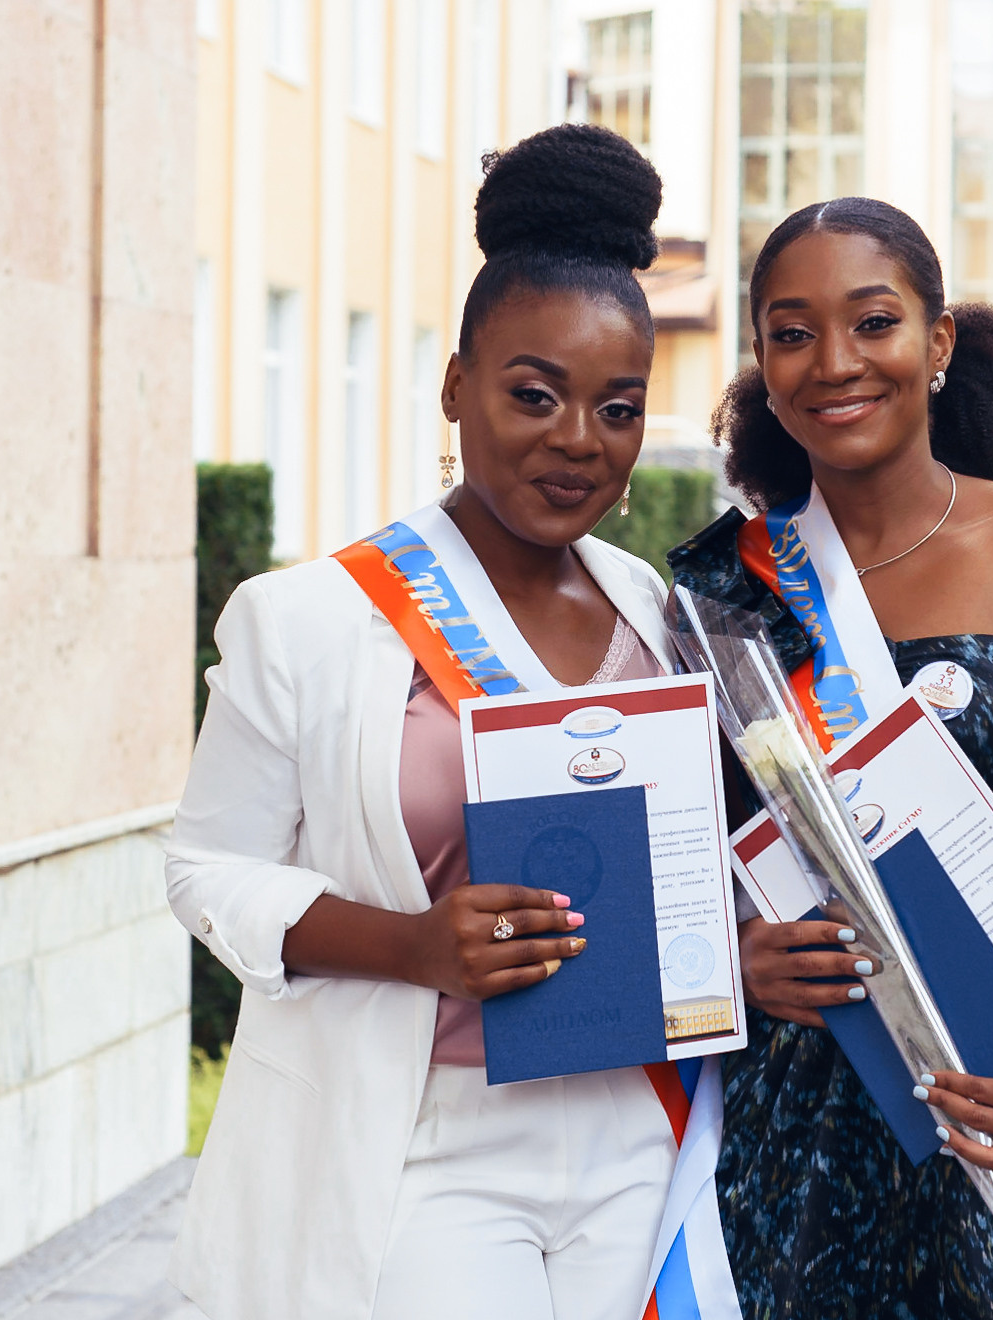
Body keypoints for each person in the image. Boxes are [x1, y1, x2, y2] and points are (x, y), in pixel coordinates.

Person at [165, 125, 684, 1320]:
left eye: (618, 408)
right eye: (533, 394)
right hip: (421, 1142)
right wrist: (410, 945)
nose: (578, 441)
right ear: (456, 386)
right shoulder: (308, 617)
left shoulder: (654, 611)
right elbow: (204, 869)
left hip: (630, 1130)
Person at [669, 196, 993, 1318]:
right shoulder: (716, 590)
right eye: (792, 333)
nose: (834, 363)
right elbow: (685, 854)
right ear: (760, 359)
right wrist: (735, 955)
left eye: (874, 322)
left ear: (937, 342)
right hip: (790, 1104)